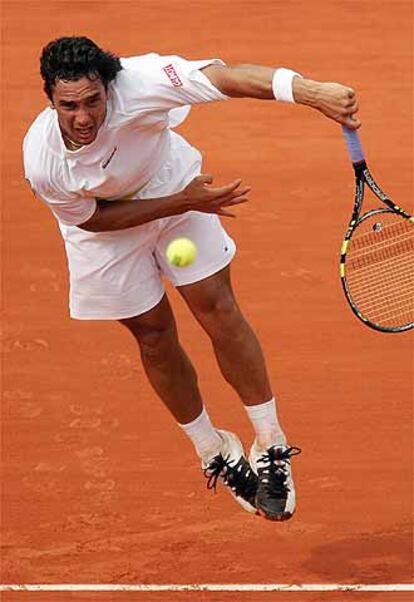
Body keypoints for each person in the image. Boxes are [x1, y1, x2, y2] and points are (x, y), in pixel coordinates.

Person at [23, 36, 360, 521]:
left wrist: (309, 91)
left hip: (171, 181)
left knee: (217, 307)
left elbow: (226, 77)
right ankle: (213, 449)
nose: (82, 117)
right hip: (110, 227)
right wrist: (183, 203)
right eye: (68, 105)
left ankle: (270, 442)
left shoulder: (141, 82)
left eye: (93, 101)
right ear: (50, 100)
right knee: (153, 336)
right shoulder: (42, 161)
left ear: (109, 89)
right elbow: (92, 219)